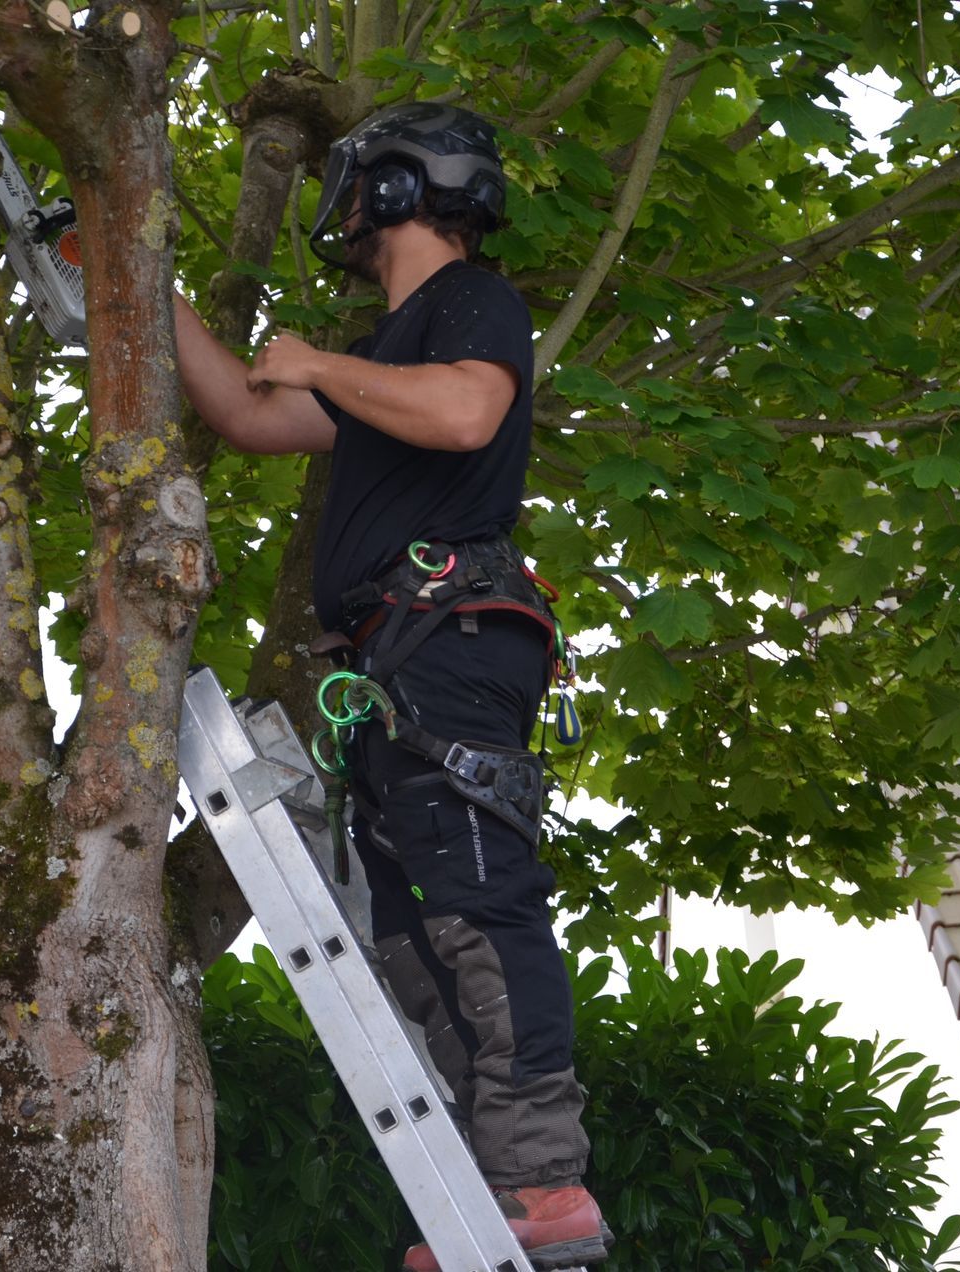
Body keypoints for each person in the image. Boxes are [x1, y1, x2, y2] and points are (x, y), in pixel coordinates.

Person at [172, 102, 608, 1272]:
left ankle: (541, 1180)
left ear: (410, 190)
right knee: (411, 927)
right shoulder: (390, 358)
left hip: (449, 638)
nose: (347, 208)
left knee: (477, 900)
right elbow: (246, 414)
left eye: (361, 184)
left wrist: (317, 357)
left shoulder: (469, 305)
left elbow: (468, 413)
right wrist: (136, 288)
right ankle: (491, 1184)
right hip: (401, 657)